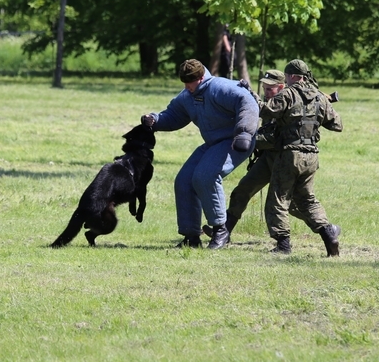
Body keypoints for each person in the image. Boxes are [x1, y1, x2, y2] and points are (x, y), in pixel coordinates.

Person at [141, 59, 259, 249]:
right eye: (185, 83)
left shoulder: (220, 87)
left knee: (205, 176)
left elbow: (248, 101)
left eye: (191, 82)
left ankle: (221, 230)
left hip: (235, 141)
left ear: (201, 76)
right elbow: (174, 115)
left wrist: (244, 131)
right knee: (184, 180)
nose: (187, 87)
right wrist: (154, 120)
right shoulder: (188, 95)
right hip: (213, 144)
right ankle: (191, 237)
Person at [259, 59, 343, 256]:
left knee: (279, 198)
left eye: (287, 76)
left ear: (291, 76)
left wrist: (252, 97)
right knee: (306, 199)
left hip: (290, 154)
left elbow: (267, 111)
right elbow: (337, 124)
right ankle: (329, 235)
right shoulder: (319, 97)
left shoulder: (288, 93)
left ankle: (283, 245)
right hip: (311, 156)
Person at [202, 69, 286, 241]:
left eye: (270, 89)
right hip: (267, 158)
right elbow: (261, 111)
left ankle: (326, 229)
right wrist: (248, 92)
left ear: (282, 87)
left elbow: (274, 138)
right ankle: (224, 231)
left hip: (284, 160)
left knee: (296, 204)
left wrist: (248, 140)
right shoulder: (271, 102)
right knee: (242, 190)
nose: (267, 93)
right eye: (265, 88)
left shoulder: (286, 104)